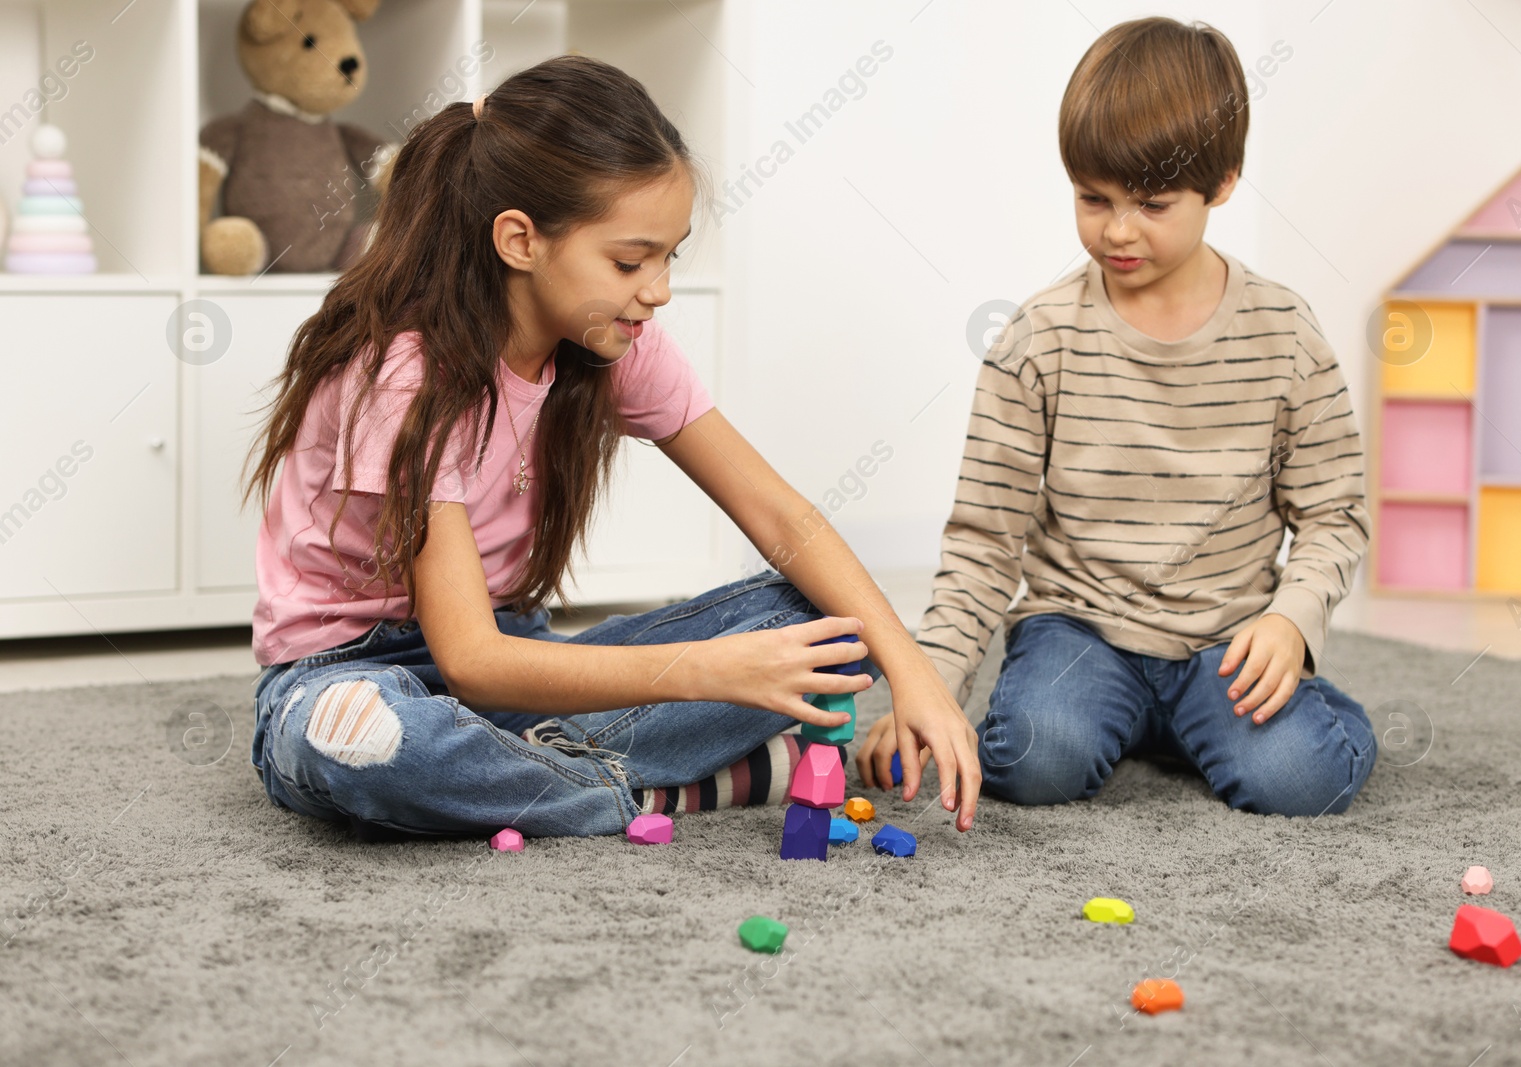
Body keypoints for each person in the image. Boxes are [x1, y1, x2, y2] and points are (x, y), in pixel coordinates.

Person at [243, 56, 980, 841]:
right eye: (630, 261)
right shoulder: (406, 378)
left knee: (827, 621)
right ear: (520, 240)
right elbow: (468, 660)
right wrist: (707, 671)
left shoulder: (616, 341)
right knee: (374, 742)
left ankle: (527, 772)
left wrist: (914, 671)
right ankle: (646, 791)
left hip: (515, 662)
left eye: (669, 256)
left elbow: (777, 512)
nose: (658, 289)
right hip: (350, 671)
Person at [858, 17, 1375, 817]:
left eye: (1152, 203)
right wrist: (929, 685)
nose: (1117, 229)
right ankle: (1120, 715)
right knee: (1031, 761)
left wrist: (1291, 625)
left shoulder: (1286, 333)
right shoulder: (1038, 337)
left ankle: (1295, 709)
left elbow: (1335, 514)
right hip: (1080, 631)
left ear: (1225, 180)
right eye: (1093, 198)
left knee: (1302, 779)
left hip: (1224, 638)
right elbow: (983, 539)